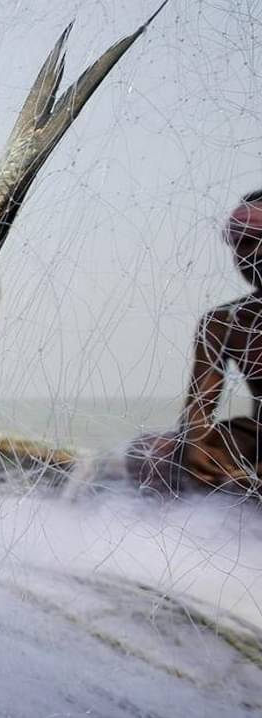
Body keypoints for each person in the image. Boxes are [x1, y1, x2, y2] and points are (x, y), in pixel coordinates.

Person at [135, 189, 262, 498]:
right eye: (240, 242)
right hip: (256, 439)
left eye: (257, 238)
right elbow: (199, 408)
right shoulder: (223, 322)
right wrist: (196, 447)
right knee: (152, 453)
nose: (250, 254)